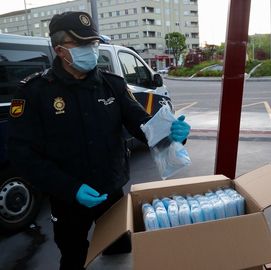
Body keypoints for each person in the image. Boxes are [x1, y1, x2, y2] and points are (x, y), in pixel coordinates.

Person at [7, 11, 190, 270]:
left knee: (119, 253)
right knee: (73, 257)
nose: (91, 50)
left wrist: (171, 134)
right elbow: (22, 153)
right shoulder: (35, 92)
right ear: (60, 49)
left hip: (112, 193)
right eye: (82, 44)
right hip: (68, 199)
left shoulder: (112, 85)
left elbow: (140, 123)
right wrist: (69, 188)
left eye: (93, 43)